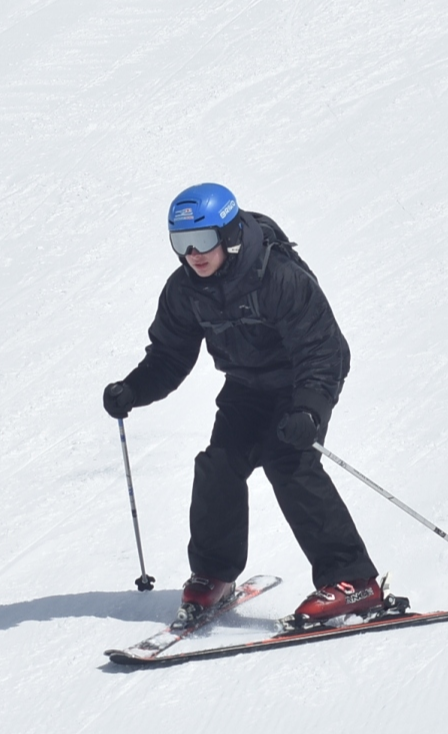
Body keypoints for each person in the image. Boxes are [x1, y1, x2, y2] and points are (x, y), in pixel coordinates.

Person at [103, 182, 384, 629]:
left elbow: (322, 349)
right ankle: (214, 573)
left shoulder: (278, 277)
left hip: (301, 381)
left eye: (203, 239)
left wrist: (309, 409)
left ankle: (353, 580)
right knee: (219, 465)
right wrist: (134, 389)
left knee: (288, 463)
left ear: (230, 234)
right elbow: (170, 356)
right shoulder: (184, 290)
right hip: (246, 386)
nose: (193, 253)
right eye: (181, 242)